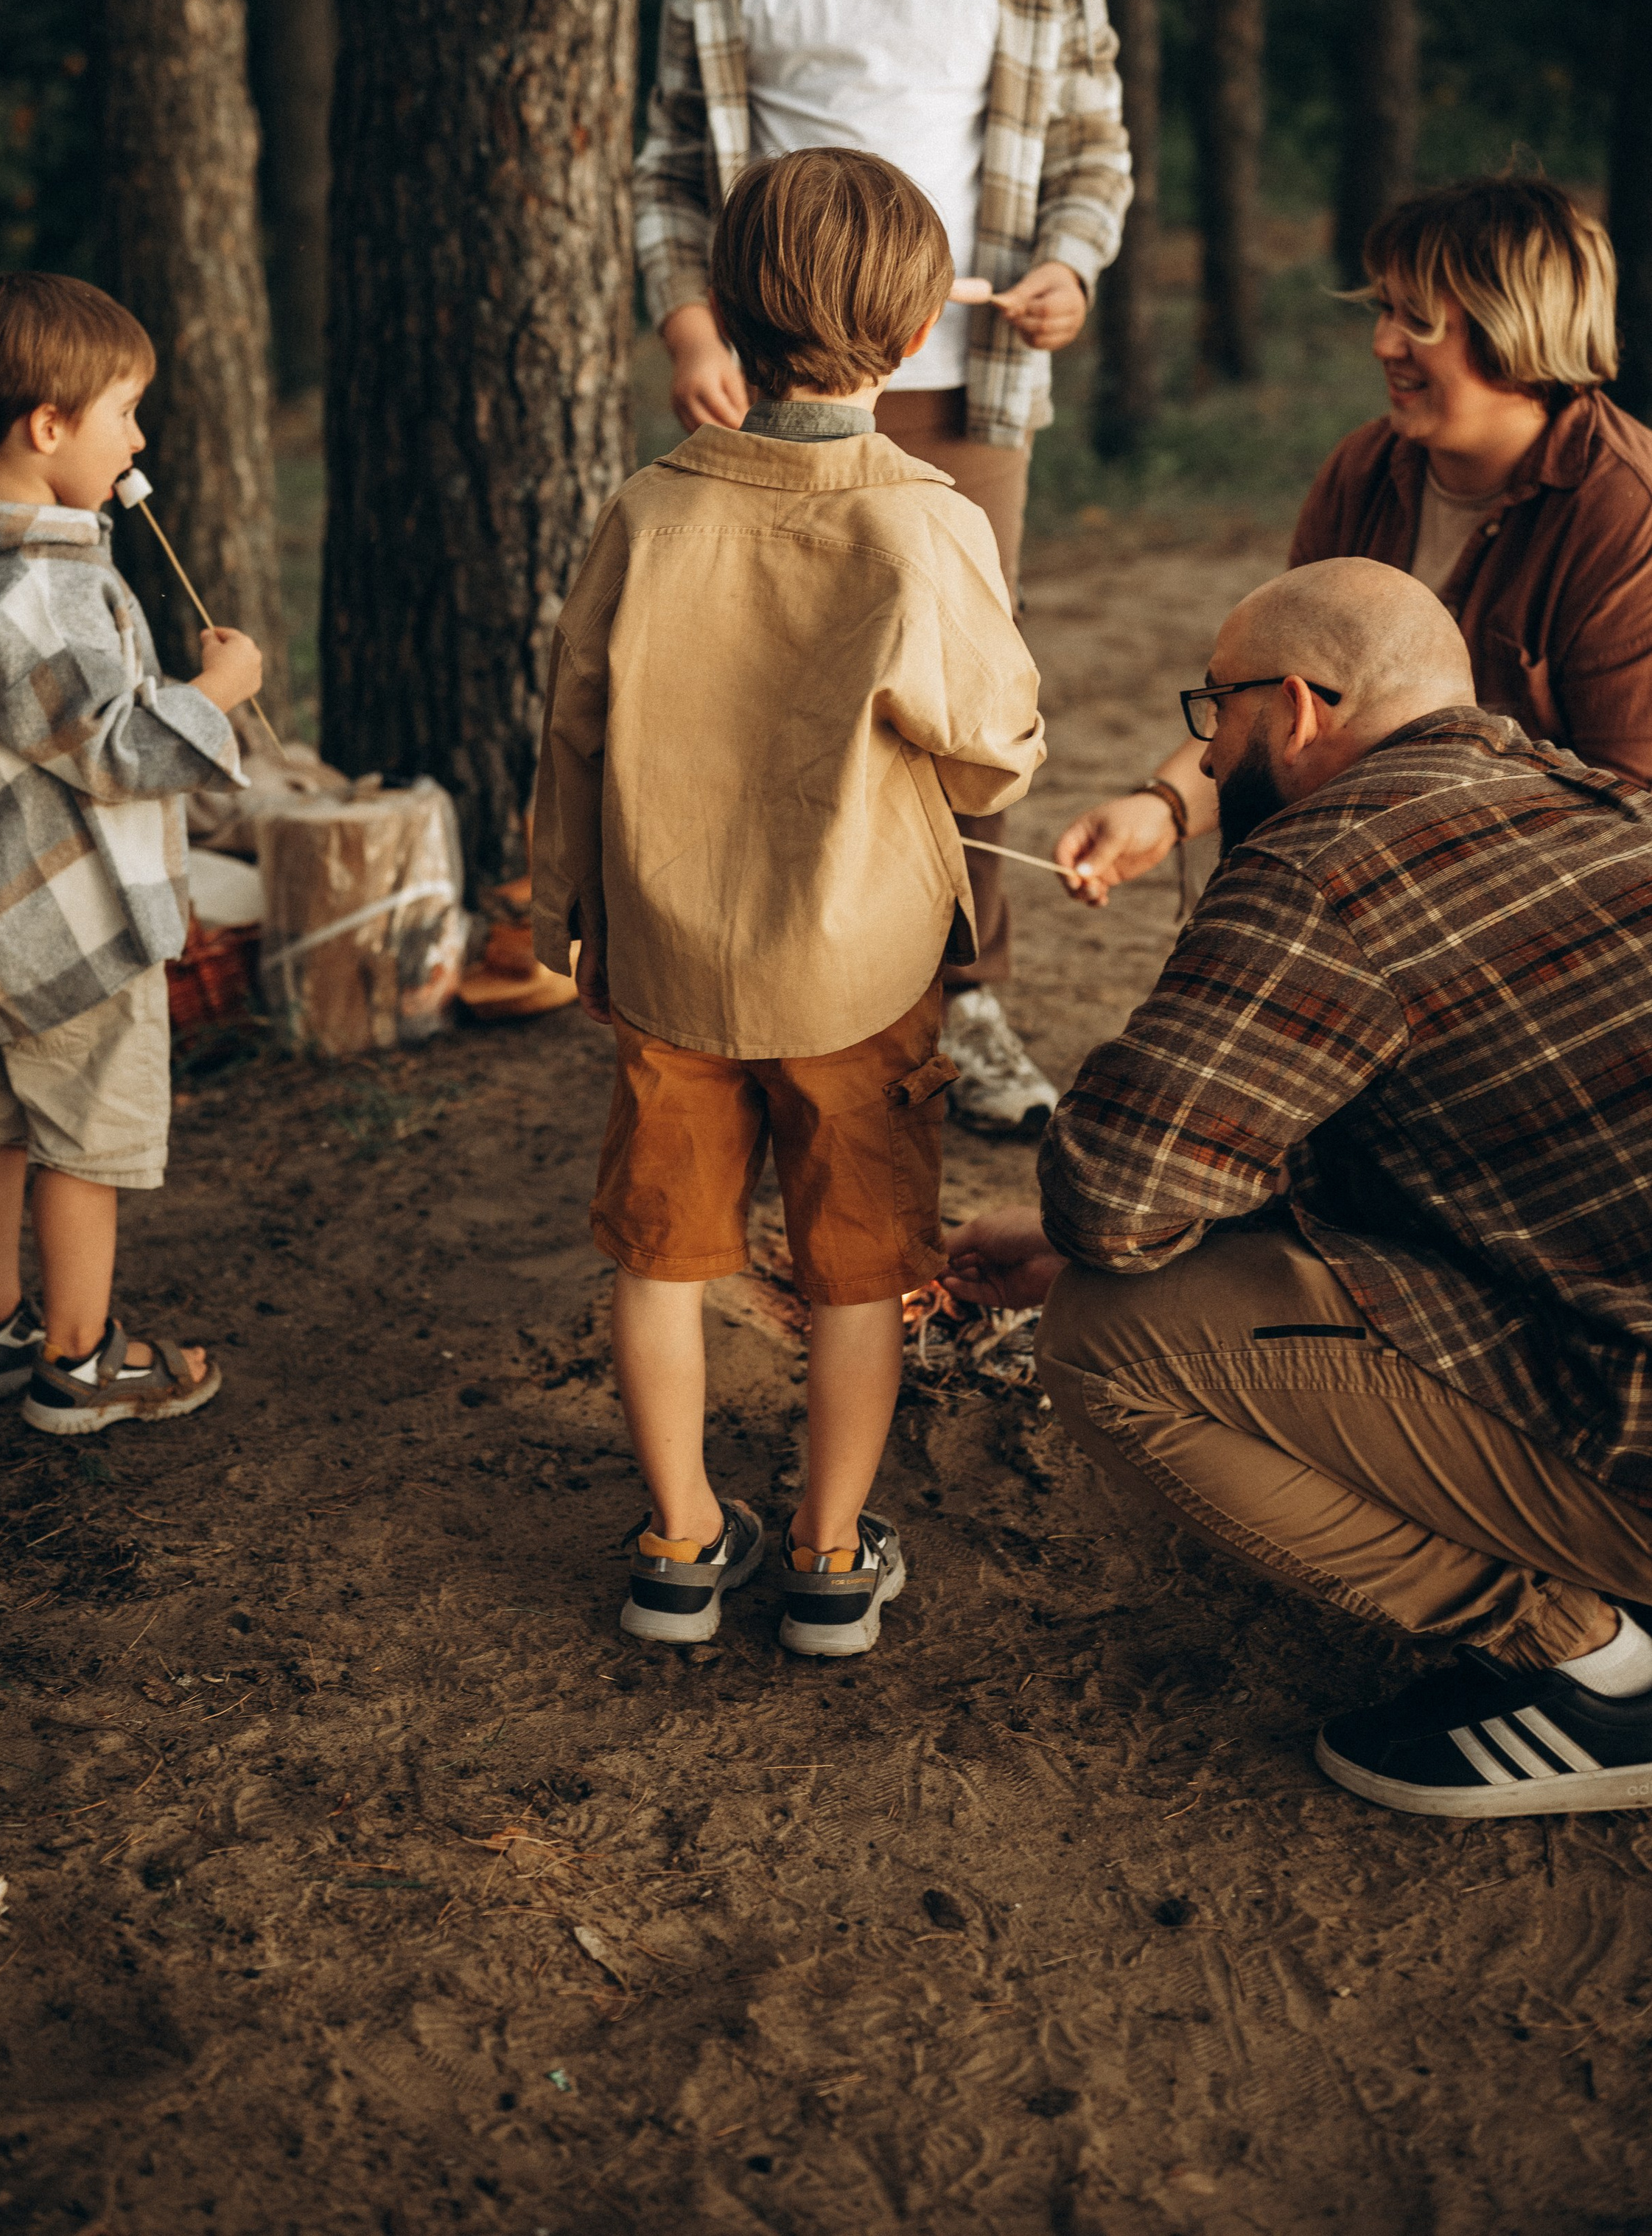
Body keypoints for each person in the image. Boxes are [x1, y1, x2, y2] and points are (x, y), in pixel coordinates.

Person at [948, 559, 1652, 1817]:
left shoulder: (1324, 866)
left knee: (1113, 1340)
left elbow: (1111, 1192)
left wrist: (1085, 1242)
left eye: (1214, 711)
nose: (1208, 758)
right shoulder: (1592, 803)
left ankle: (1595, 1665)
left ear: (1299, 707)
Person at [534, 150, 1046, 1657]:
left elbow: (570, 725)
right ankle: (828, 1556)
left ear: (725, 318)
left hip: (668, 967)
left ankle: (679, 1542)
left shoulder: (645, 512)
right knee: (857, 1263)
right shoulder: (926, 522)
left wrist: (566, 915)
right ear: (906, 342)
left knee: (658, 1249)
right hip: (860, 972)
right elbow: (995, 748)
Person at [634, 0, 1131, 1133]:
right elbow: (666, 170)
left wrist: (1071, 266)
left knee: (952, 699)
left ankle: (958, 1007)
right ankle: (787, 1006)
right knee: (771, 690)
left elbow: (1090, 146)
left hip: (962, 383)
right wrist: (687, 319)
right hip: (774, 388)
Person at [0, 272, 262, 1437]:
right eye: (125, 412)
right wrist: (214, 694)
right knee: (85, 1140)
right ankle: (81, 1361)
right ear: (49, 427)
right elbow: (120, 750)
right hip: (71, 931)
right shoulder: (54, 588)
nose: (138, 438)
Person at [1055, 175, 1652, 901]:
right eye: (1382, 311)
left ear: (1515, 325)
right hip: (1356, 866)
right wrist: (1162, 805)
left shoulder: (1625, 510)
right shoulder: (1364, 469)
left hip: (1534, 900)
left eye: (1417, 321)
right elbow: (1275, 701)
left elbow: (1628, 812)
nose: (1382, 343)